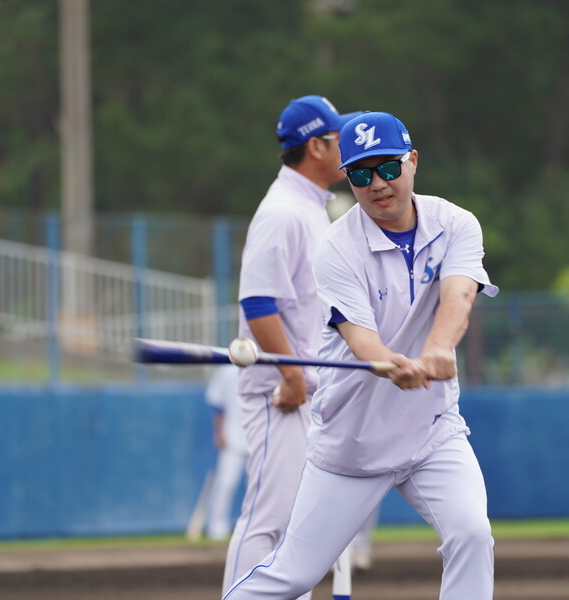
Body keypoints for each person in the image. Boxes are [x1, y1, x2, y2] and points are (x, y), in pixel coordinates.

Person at [223, 111, 498, 600]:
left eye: (388, 168)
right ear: (348, 178)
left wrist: (436, 351)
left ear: (412, 162)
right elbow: (360, 339)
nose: (377, 184)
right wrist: (392, 364)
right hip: (353, 441)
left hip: (431, 430)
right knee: (293, 575)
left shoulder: (456, 223)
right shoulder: (335, 246)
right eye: (361, 174)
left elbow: (459, 297)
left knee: (472, 534)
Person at [221, 95, 361, 599]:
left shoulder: (307, 208)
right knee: (269, 518)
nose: (347, 146)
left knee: (297, 526)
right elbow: (258, 304)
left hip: (302, 387)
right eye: (338, 137)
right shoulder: (283, 212)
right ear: (316, 146)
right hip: (282, 390)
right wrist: (292, 377)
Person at [204, 364, 247, 540]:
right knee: (226, 483)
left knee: (260, 488)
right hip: (232, 438)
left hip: (260, 438)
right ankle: (216, 526)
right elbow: (217, 406)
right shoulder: (226, 371)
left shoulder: (265, 365)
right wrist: (219, 433)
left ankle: (254, 528)